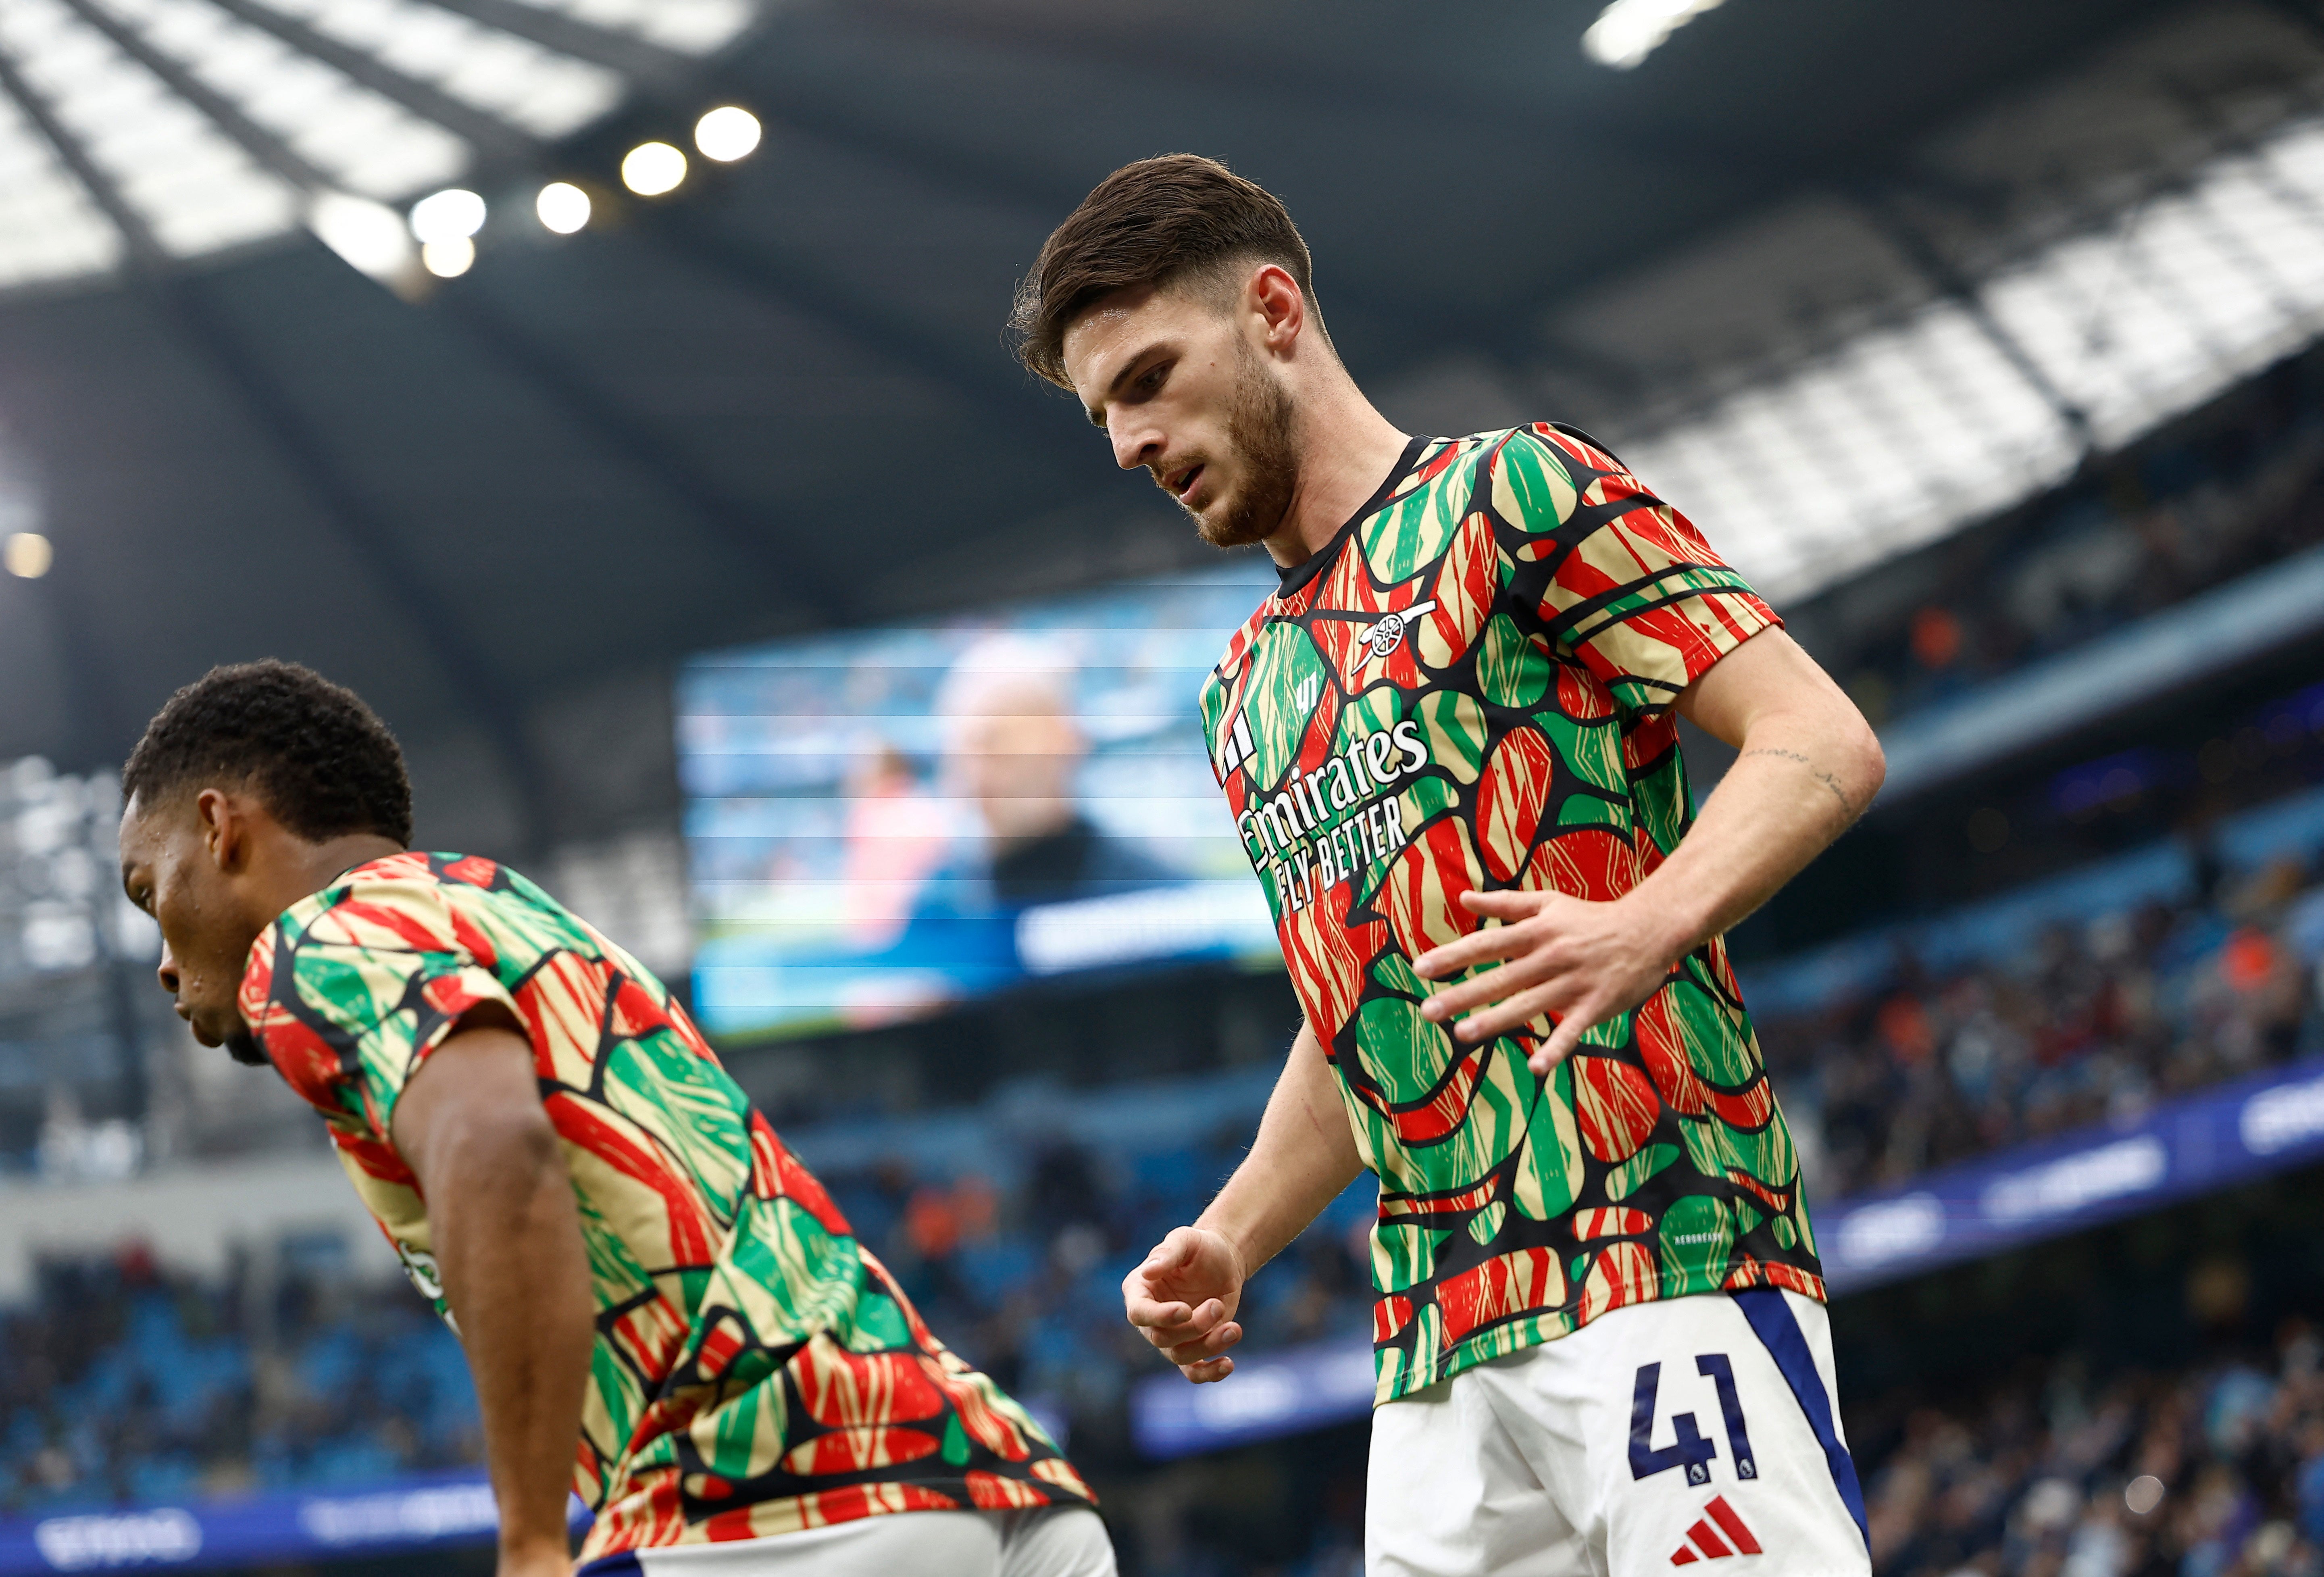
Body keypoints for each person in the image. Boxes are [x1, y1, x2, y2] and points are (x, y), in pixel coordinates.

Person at [1012, 156, 1887, 1576]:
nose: (1126, 441)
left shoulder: (1513, 493)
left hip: (1657, 1255)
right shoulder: (1243, 690)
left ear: (1275, 311)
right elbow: (1357, 1016)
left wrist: (1642, 922)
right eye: (1103, 411)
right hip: (1430, 1353)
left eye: (1150, 377)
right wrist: (1232, 1235)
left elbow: (1817, 738)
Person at [114, 660, 1115, 1577]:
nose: (162, 956)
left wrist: (532, 1542)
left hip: (777, 1503)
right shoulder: (498, 905)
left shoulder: (318, 940)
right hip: (994, 1484)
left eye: (149, 891)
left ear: (220, 826)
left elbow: (499, 1151)